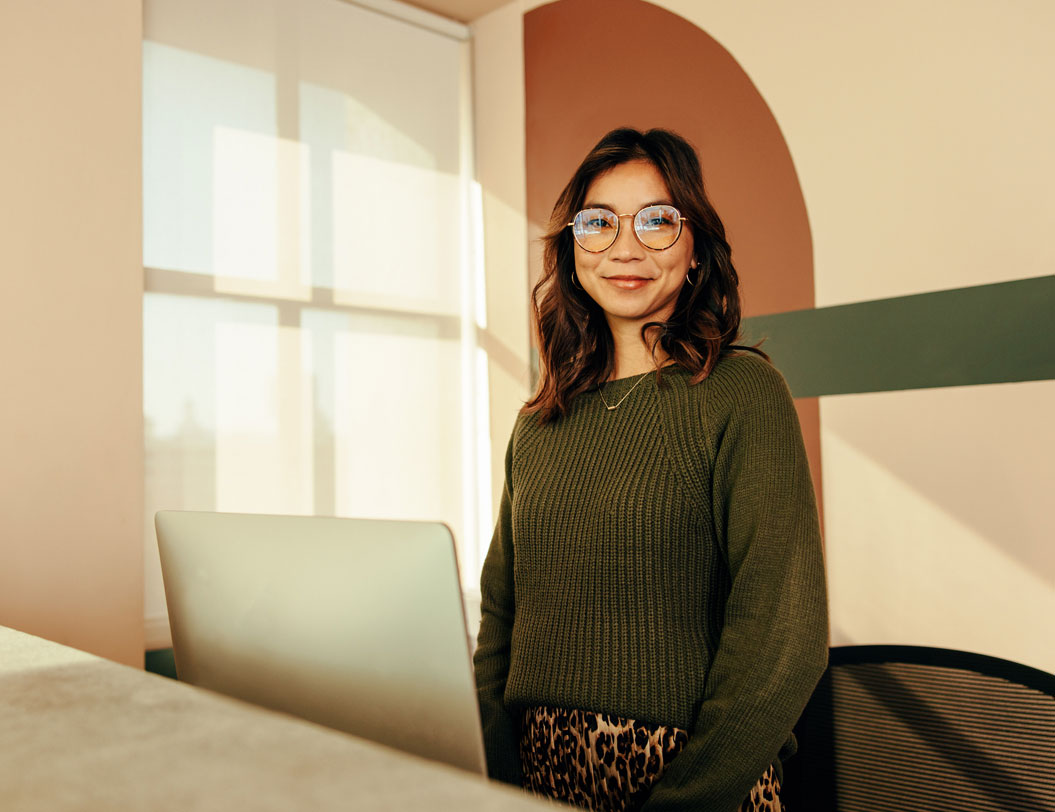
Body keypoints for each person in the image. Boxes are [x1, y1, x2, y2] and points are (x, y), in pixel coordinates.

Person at [472, 127, 828, 812]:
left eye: (657, 221)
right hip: (532, 778)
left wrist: (683, 801)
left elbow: (782, 635)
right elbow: (500, 617)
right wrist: (489, 770)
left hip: (694, 784)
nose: (624, 247)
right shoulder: (537, 421)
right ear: (572, 248)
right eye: (598, 223)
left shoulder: (741, 392)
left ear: (694, 249)